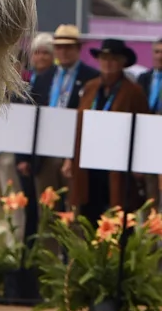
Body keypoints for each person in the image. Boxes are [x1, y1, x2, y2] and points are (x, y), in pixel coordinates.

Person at [63, 39, 149, 224]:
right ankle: (90, 252)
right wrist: (71, 157)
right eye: (104, 58)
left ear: (122, 63)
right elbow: (78, 125)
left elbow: (142, 128)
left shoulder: (133, 91)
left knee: (118, 213)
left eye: (113, 59)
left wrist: (139, 164)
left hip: (116, 164)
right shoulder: (90, 87)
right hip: (88, 160)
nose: (108, 63)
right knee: (88, 212)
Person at [17, 25, 99, 208]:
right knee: (46, 207)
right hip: (44, 150)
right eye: (59, 47)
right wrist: (24, 156)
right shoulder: (44, 77)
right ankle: (45, 238)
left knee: (74, 207)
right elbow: (31, 116)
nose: (63, 52)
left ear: (78, 49)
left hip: (74, 150)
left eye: (69, 47)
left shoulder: (92, 78)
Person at [137, 37, 162, 208]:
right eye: (157, 52)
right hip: (147, 142)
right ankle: (149, 233)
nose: (160, 56)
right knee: (149, 196)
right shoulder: (143, 78)